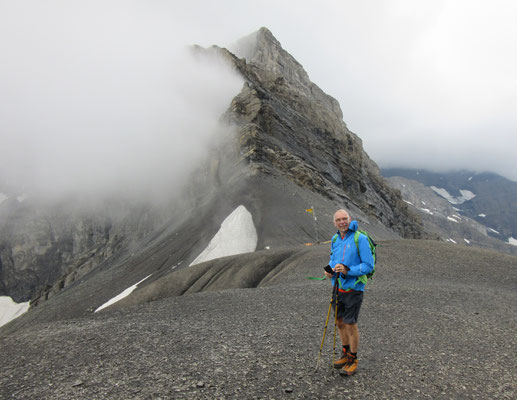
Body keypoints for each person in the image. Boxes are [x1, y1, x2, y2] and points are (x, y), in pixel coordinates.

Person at [324, 209, 374, 376]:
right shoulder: (335, 238)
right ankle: (345, 354)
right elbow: (332, 259)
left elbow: (368, 266)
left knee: (350, 323)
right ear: (334, 223)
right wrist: (328, 270)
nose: (342, 222)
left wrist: (347, 270)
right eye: (338, 220)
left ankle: (353, 359)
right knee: (339, 322)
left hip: (354, 289)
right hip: (338, 286)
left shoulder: (361, 239)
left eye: (344, 219)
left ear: (350, 219)